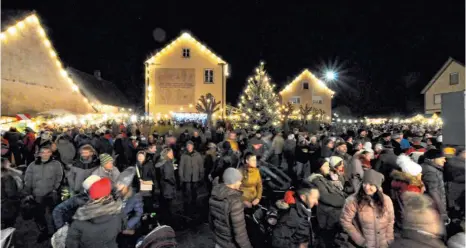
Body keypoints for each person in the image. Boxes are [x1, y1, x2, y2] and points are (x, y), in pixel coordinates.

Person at [340, 169, 395, 248]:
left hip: (383, 244)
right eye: (365, 183)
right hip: (365, 245)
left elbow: (390, 220)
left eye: (371, 184)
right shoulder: (353, 200)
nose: (366, 187)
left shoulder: (386, 200)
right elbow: (345, 221)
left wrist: (389, 239)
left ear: (377, 186)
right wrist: (360, 240)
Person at [65, 178, 125, 248]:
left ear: (91, 196)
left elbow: (71, 244)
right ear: (108, 195)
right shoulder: (118, 213)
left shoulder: (79, 221)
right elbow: (123, 228)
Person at [23, 145, 64, 242]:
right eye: (43, 152)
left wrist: (55, 189)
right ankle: (44, 232)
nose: (45, 154)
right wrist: (28, 191)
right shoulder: (32, 165)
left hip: (52, 193)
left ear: (51, 153)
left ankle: (57, 232)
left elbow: (60, 176)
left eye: (47, 152)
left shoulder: (56, 164)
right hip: (37, 194)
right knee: (38, 215)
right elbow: (27, 178)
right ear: (39, 153)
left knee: (55, 213)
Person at [209, 167, 252, 248]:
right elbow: (240, 235)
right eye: (239, 180)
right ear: (234, 182)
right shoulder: (235, 202)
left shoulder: (214, 195)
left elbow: (211, 222)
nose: (240, 183)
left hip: (218, 242)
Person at [308, 158, 346, 248]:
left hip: (330, 213)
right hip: (327, 215)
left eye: (328, 166)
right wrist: (345, 201)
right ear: (318, 168)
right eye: (325, 166)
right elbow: (326, 197)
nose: (328, 168)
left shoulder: (322, 178)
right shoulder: (316, 180)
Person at [390, 154, 424, 230]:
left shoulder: (400, 183)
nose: (421, 174)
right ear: (413, 175)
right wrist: (421, 191)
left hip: (401, 218)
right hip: (410, 223)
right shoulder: (412, 188)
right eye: (419, 172)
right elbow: (417, 207)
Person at [421, 149, 449, 225]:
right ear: (433, 159)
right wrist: (443, 213)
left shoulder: (430, 168)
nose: (444, 160)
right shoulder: (431, 171)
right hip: (434, 208)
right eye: (442, 158)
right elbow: (433, 192)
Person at [116, 167, 144, 236]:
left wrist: (126, 227)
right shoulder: (118, 193)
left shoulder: (135, 196)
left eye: (122, 188)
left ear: (127, 186)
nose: (119, 190)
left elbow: (138, 214)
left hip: (129, 227)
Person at [179, 141, 204, 215]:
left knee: (195, 193)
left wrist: (201, 176)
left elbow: (201, 166)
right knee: (187, 193)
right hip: (187, 178)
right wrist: (181, 176)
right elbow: (181, 167)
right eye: (188, 146)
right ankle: (187, 207)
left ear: (193, 146)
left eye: (190, 146)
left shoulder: (198, 155)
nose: (189, 147)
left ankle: (194, 206)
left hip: (195, 178)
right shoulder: (183, 155)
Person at [156, 148, 177, 225]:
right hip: (168, 187)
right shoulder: (167, 163)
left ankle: (165, 220)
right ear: (166, 154)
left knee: (165, 204)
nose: (172, 155)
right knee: (168, 205)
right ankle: (169, 222)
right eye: (170, 153)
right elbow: (167, 176)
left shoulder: (162, 162)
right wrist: (174, 183)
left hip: (164, 187)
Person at [444, 147, 465, 221]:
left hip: (460, 189)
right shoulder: (453, 162)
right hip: (454, 188)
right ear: (461, 153)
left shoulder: (462, 162)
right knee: (455, 210)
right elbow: (454, 177)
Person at [1, 158, 20, 229]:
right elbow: (11, 194)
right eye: (8, 162)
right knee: (8, 228)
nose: (10, 164)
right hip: (6, 208)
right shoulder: (7, 178)